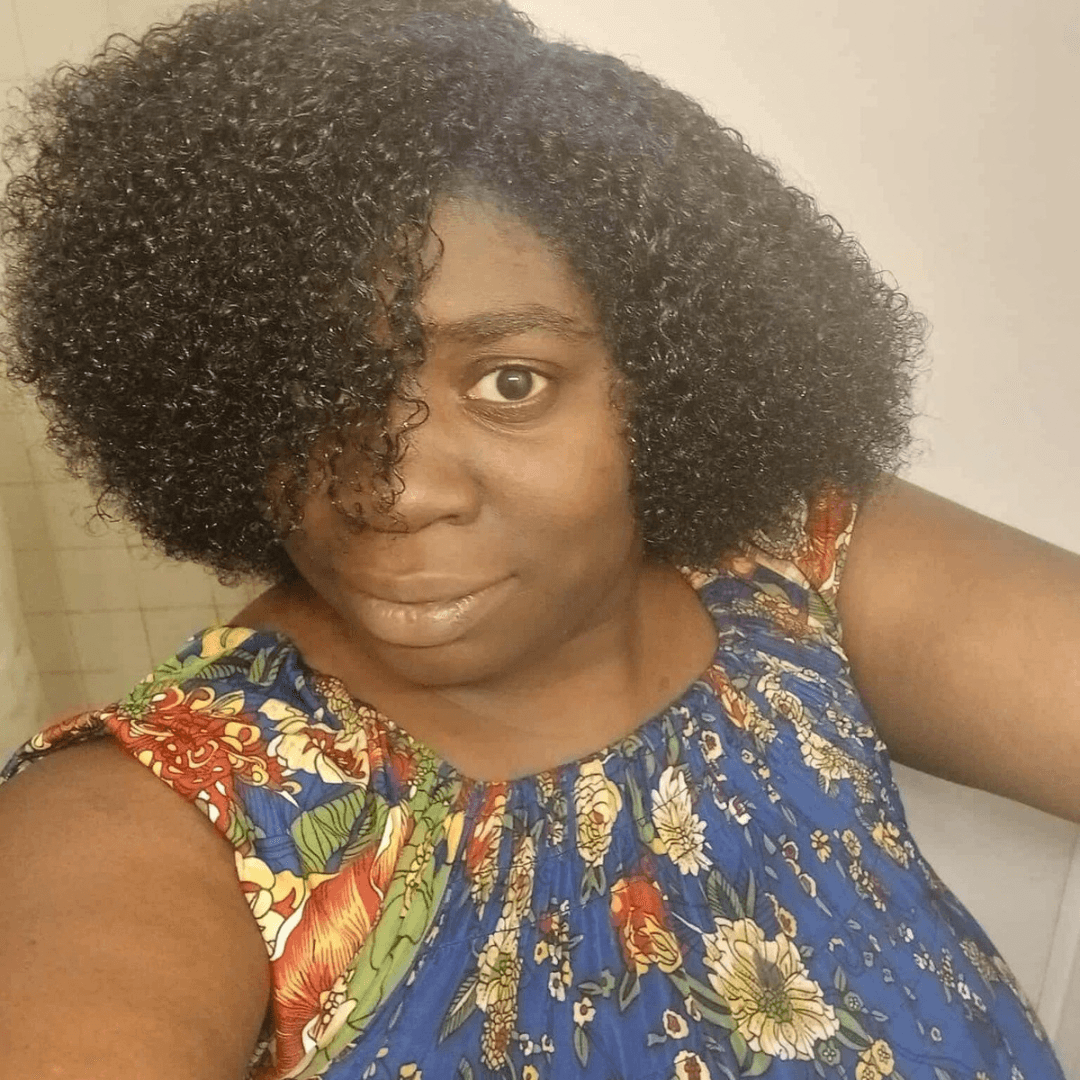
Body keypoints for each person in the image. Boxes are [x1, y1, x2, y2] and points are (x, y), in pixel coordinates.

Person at [0, 0, 1077, 1077]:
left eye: (509, 382)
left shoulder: (792, 561)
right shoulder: (156, 813)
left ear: (661, 375)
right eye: (323, 390)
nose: (397, 490)